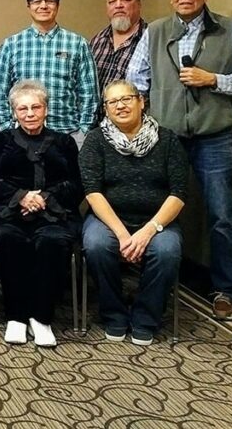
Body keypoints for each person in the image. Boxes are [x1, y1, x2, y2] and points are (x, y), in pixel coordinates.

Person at [127, 0, 232, 321]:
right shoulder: (155, 31)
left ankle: (225, 290)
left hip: (214, 137)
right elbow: (135, 79)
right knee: (155, 207)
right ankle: (153, 281)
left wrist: (213, 79)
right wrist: (146, 119)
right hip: (166, 137)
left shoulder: (230, 30)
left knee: (221, 214)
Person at [81, 80, 189, 345]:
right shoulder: (96, 140)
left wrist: (148, 231)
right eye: (112, 102)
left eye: (126, 99)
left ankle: (145, 317)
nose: (120, 106)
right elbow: (92, 192)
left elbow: (179, 193)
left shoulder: (168, 140)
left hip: (157, 220)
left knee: (166, 251)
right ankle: (113, 313)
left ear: (141, 101)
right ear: (106, 109)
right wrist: (121, 233)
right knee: (95, 245)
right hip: (108, 219)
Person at [0, 80, 82, 347]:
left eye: (35, 107)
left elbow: (77, 184)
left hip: (54, 213)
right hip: (7, 212)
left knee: (52, 242)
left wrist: (44, 198)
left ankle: (41, 317)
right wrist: (22, 196)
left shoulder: (65, 142)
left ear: (46, 109)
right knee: (10, 241)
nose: (29, 113)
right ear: (14, 112)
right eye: (22, 108)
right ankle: (16, 317)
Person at [0, 0, 98, 146]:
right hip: (21, 136)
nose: (43, 6)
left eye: (49, 1)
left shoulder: (77, 43)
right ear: (29, 7)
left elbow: (90, 95)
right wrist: (8, 130)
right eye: (37, 1)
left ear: (57, 6)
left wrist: (83, 131)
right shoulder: (11, 45)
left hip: (68, 133)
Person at [89, 0, 147, 98]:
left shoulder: (151, 39)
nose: (118, 5)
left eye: (126, 0)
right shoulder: (97, 41)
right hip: (98, 115)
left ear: (139, 4)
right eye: (112, 1)